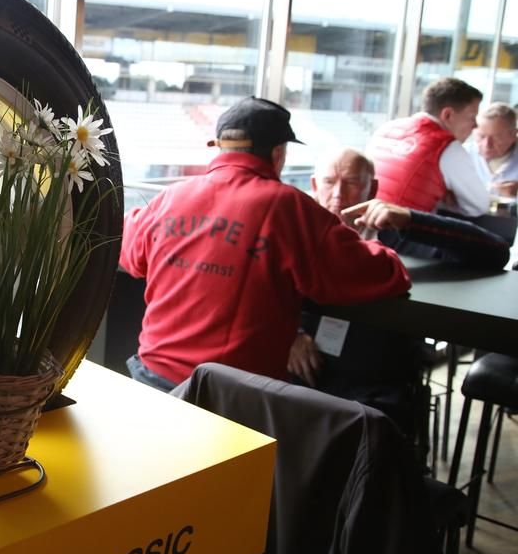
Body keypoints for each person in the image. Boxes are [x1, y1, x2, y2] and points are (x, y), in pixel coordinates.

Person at [119, 97, 411, 392]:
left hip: (150, 383)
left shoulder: (170, 197)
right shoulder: (289, 207)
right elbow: (385, 273)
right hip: (229, 401)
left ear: (218, 146)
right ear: (278, 153)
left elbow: (128, 250)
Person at [288, 148, 510, 449]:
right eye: (329, 182)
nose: (338, 194)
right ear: (314, 186)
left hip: (379, 380)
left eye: (352, 182)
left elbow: (495, 251)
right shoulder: (295, 230)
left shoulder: (394, 233)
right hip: (307, 371)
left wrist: (410, 220)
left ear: (373, 188)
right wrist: (293, 333)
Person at [366, 77, 488, 217]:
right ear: (447, 115)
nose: (475, 125)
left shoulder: (386, 128)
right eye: (472, 117)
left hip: (362, 228)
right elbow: (479, 206)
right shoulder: (447, 148)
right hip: (400, 234)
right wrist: (446, 199)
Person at [468, 102, 518, 198]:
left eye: (496, 137)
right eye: (481, 136)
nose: (487, 144)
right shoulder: (463, 154)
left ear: (514, 135)